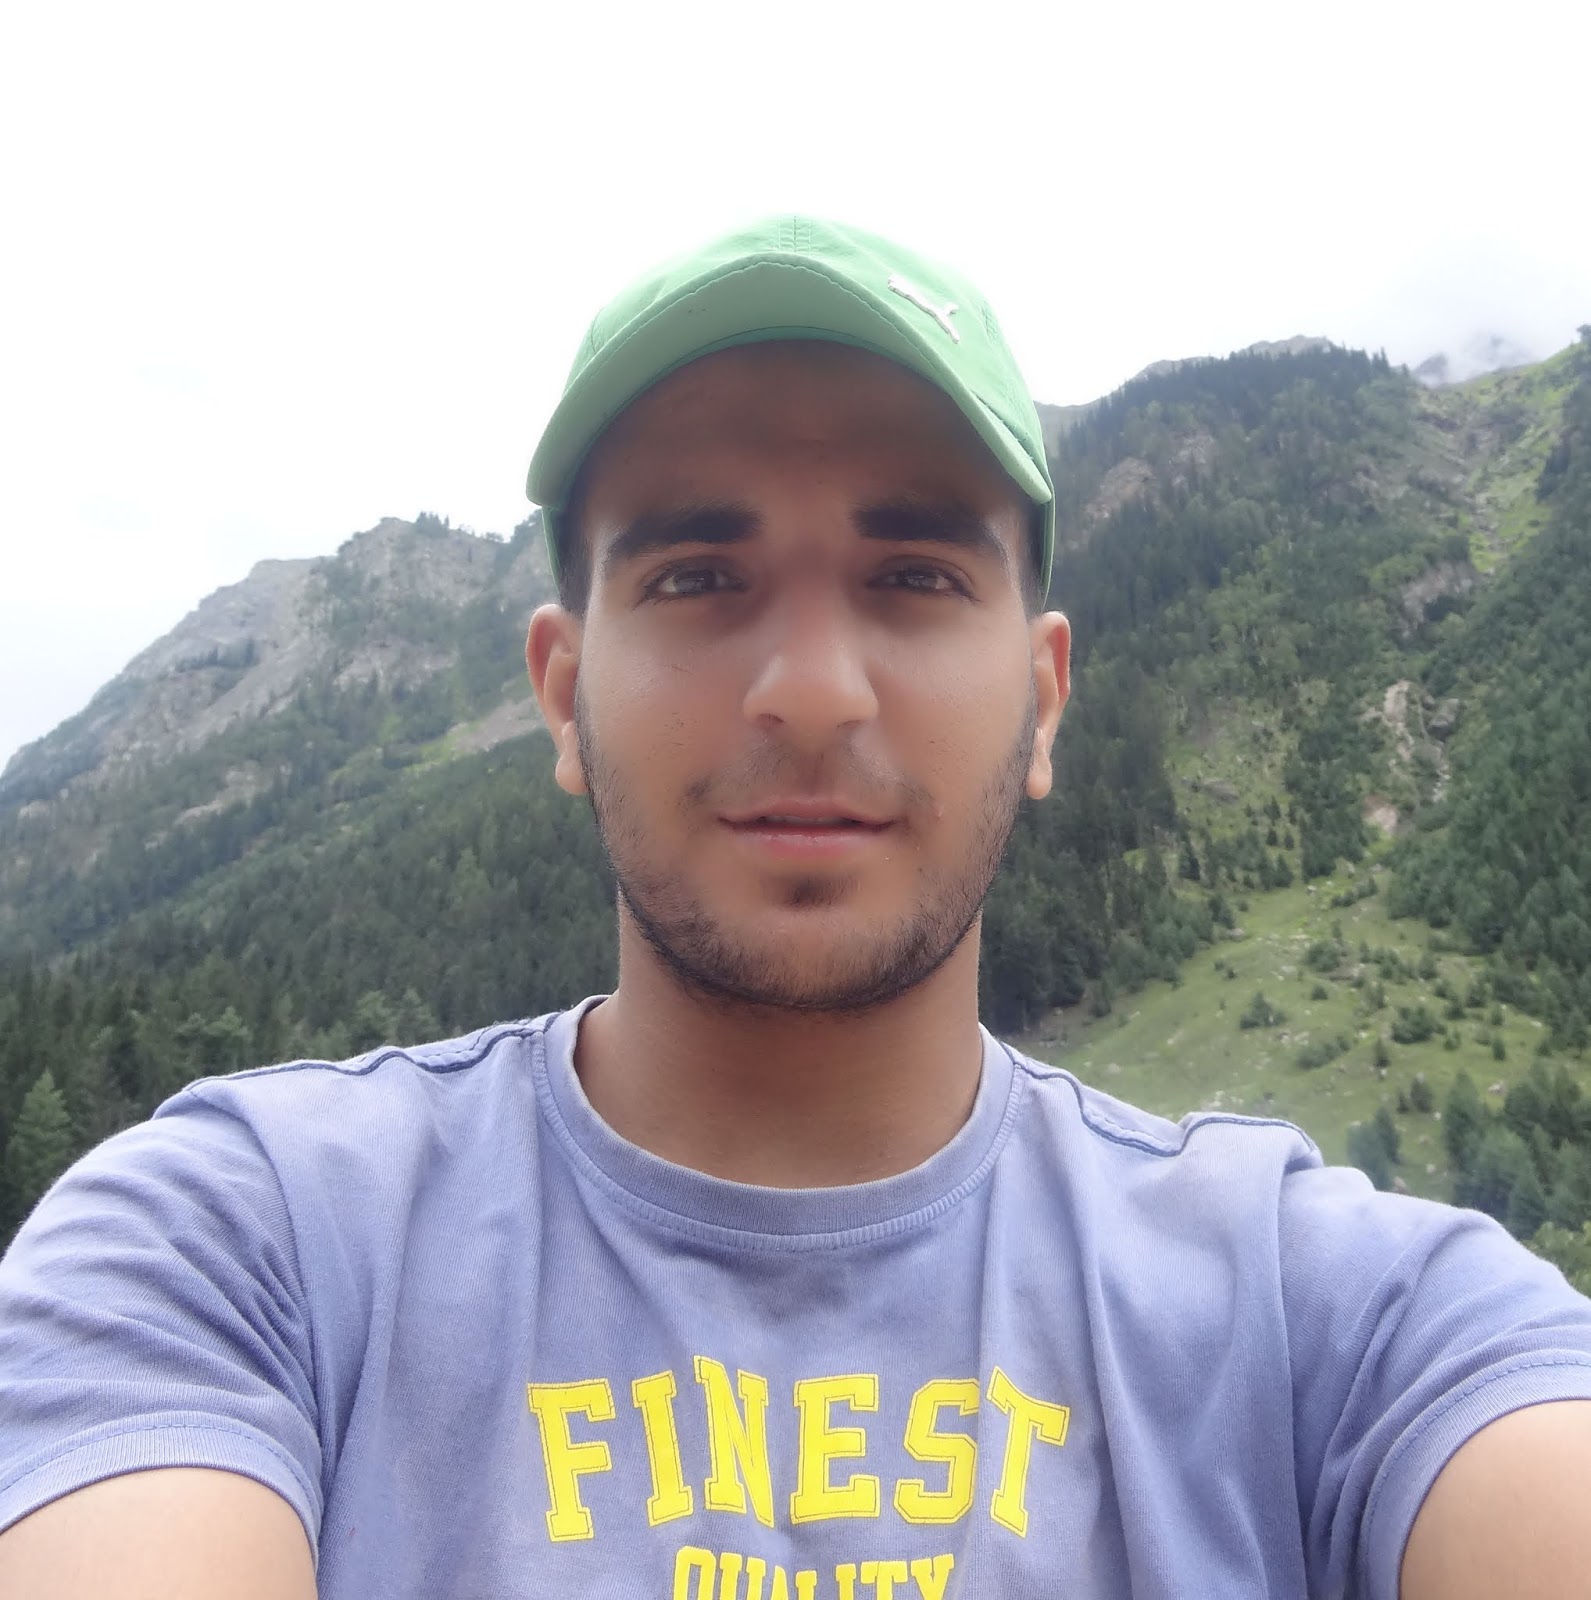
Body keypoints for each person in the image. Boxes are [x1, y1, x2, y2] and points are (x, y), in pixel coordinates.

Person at [2, 216, 1590, 1600]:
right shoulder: (241, 1245)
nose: (814, 691)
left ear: (1043, 701)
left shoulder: (1330, 1316)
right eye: (698, 577)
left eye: (916, 578)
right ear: (562, 695)